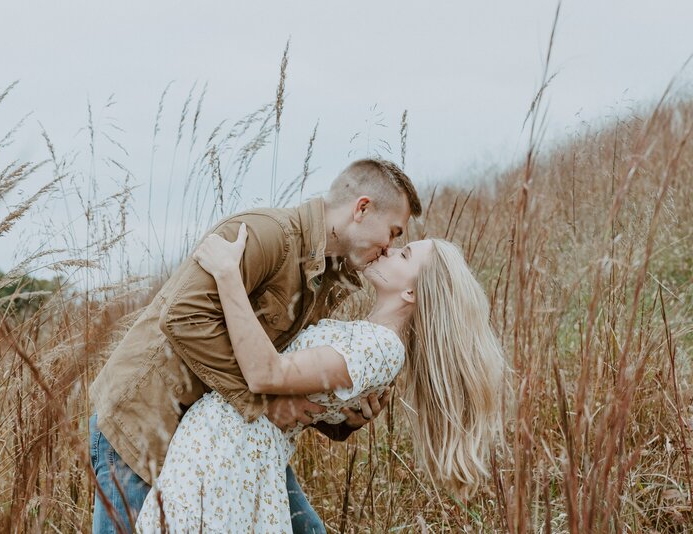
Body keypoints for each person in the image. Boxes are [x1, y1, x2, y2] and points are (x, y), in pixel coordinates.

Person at [89, 159, 423, 533]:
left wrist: (342, 419)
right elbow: (183, 317)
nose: (390, 247)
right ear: (362, 208)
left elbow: (289, 373)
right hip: (146, 428)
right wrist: (265, 403)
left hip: (228, 439)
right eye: (393, 232)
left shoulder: (330, 277)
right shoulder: (265, 235)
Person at [135, 227, 506, 532]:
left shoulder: (380, 348)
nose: (390, 251)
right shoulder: (367, 338)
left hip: (227, 457)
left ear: (411, 292)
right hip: (227, 451)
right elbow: (311, 399)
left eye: (405, 255)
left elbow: (266, 373)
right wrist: (345, 420)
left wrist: (228, 274)